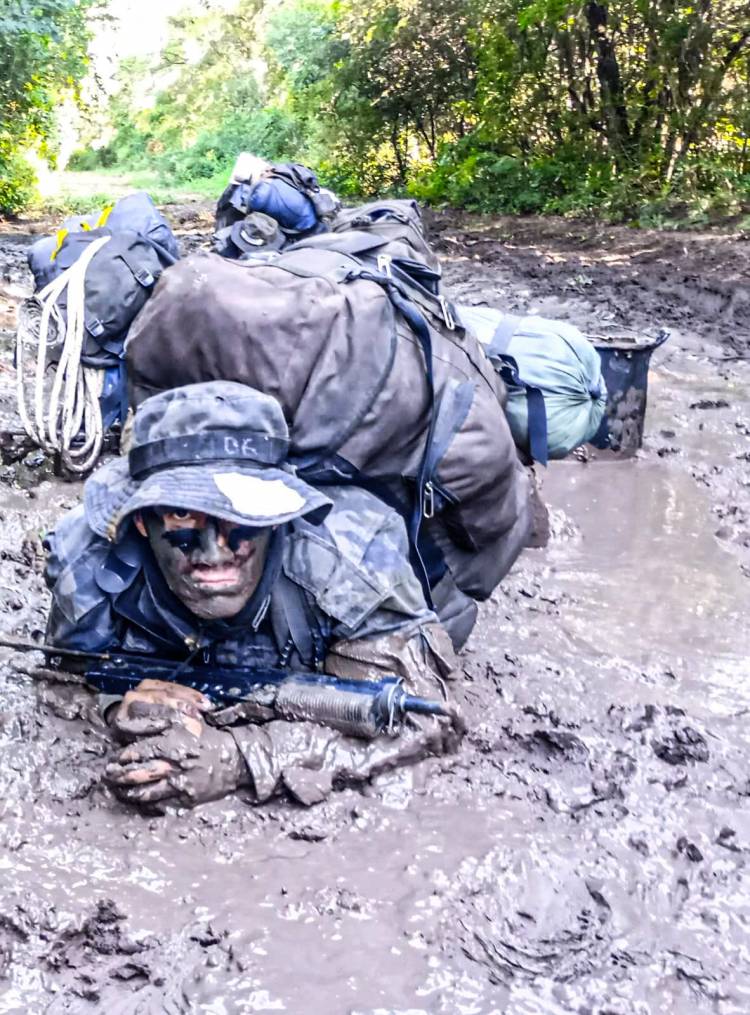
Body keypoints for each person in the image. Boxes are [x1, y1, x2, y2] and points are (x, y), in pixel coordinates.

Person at [44, 381, 462, 810]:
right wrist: (114, 707)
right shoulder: (90, 567)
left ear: (278, 517)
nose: (214, 552)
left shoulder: (350, 565)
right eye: (182, 513)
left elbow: (425, 724)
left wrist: (239, 759)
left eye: (241, 515)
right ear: (140, 523)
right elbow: (61, 683)